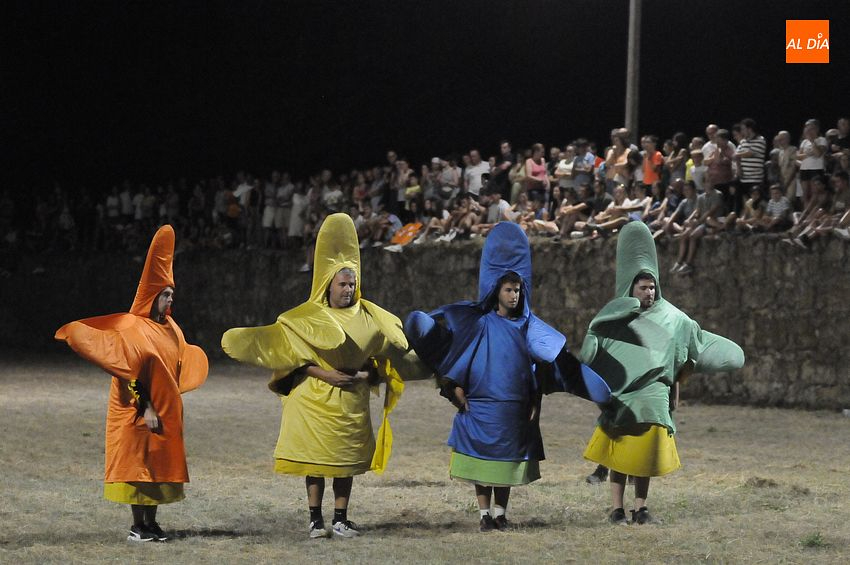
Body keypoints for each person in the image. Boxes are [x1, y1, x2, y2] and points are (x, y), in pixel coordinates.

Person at [221, 213, 430, 540]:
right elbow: (293, 358)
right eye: (342, 284)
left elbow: (384, 360)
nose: (348, 289)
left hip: (351, 400)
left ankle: (341, 519)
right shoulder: (306, 318)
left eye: (352, 284)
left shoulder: (370, 316)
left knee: (345, 462)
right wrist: (326, 375)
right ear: (328, 284)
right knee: (316, 461)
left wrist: (366, 373)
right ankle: (315, 519)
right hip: (314, 399)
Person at [404, 222, 608, 532]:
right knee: (481, 461)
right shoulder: (478, 323)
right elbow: (457, 355)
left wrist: (535, 403)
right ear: (497, 290)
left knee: (506, 463)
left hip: (514, 408)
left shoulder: (528, 329)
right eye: (508, 290)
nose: (513, 295)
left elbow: (540, 369)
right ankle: (484, 515)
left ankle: (500, 513)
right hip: (481, 406)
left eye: (517, 290)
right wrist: (454, 390)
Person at [580, 222, 744, 525]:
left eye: (652, 286)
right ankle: (616, 509)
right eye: (643, 287)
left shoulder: (674, 319)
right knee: (620, 455)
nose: (649, 292)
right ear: (631, 288)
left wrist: (676, 390)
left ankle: (640, 509)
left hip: (654, 397)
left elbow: (686, 353)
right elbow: (592, 354)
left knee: (644, 456)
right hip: (623, 398)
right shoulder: (615, 318)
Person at [54, 225, 209, 542]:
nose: (170, 299)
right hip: (137, 409)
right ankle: (137, 526)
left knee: (158, 465)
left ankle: (152, 523)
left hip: (164, 410)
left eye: (172, 294)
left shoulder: (171, 328)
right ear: (152, 297)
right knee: (139, 466)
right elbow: (128, 373)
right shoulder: (133, 327)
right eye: (165, 294)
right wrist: (146, 407)